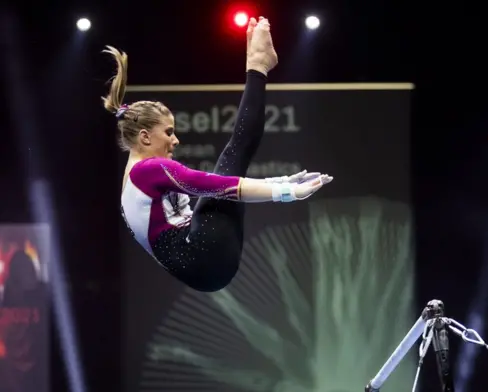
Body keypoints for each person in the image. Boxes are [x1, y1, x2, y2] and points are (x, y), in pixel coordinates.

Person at [104, 17, 333, 292]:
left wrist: (281, 181)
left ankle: (258, 65)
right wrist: (286, 191)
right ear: (144, 137)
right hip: (203, 255)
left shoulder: (131, 179)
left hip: (205, 268)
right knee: (234, 152)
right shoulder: (148, 170)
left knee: (228, 169)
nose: (175, 140)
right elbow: (219, 186)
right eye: (168, 133)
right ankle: (257, 65)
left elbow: (220, 188)